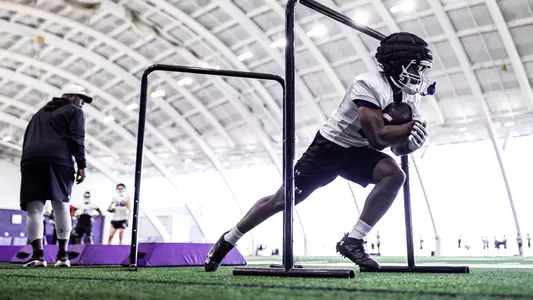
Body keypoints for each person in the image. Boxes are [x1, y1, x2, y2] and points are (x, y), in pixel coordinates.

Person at [204, 32, 433, 272]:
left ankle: (353, 240)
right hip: (330, 147)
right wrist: (409, 128)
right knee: (281, 200)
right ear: (396, 64)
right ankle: (229, 239)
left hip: (357, 150)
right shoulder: (368, 84)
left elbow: (396, 148)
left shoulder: (409, 95)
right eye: (415, 67)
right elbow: (377, 138)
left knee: (394, 174)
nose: (419, 74)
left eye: (422, 68)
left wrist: (410, 145)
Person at [19, 84, 92, 267]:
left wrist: (25, 163)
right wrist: (81, 164)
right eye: (80, 98)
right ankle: (63, 256)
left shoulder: (38, 114)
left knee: (34, 208)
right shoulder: (74, 111)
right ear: (69, 96)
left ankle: (37, 256)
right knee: (60, 206)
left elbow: (27, 138)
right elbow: (77, 138)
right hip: (58, 159)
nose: (81, 103)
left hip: (31, 159)